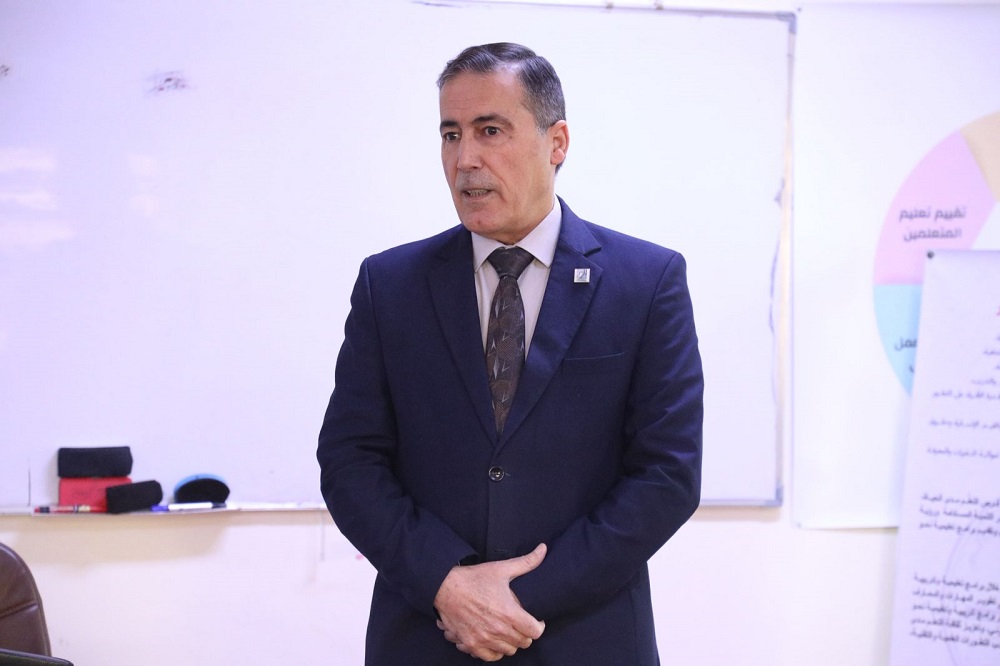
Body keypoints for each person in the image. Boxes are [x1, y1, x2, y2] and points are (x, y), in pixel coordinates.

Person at [317, 42, 703, 665]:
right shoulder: (389, 286)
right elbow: (350, 460)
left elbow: (666, 475)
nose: (465, 158)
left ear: (557, 142)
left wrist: (512, 600)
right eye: (450, 134)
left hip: (587, 639)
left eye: (490, 130)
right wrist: (447, 584)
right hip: (428, 634)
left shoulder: (645, 281)